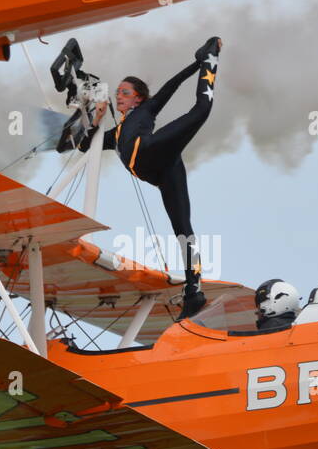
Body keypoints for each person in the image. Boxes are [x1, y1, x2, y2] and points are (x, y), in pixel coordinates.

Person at [93, 37, 222, 320]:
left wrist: (196, 64)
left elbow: (170, 87)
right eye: (117, 93)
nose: (119, 96)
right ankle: (193, 292)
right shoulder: (114, 136)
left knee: (201, 111)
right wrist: (94, 117)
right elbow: (82, 145)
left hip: (156, 151)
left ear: (138, 98)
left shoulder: (145, 110)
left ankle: (211, 58)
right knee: (182, 228)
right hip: (161, 173)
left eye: (124, 92)